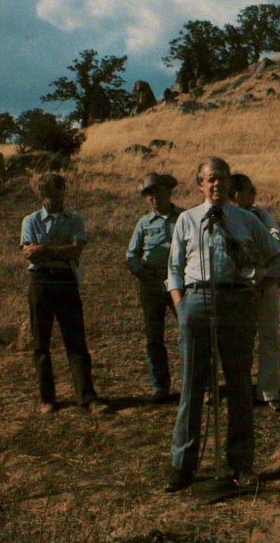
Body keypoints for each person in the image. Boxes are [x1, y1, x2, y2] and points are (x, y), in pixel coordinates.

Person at [164, 156, 280, 493]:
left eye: (222, 179)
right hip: (196, 302)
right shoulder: (187, 221)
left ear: (231, 183)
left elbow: (279, 259)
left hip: (237, 304)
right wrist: (182, 305)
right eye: (210, 179)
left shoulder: (246, 220)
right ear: (200, 184)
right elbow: (173, 270)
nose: (217, 184)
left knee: (238, 385)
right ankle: (183, 466)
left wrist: (259, 283)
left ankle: (241, 464)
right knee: (193, 385)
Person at [20, 173, 107, 415]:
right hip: (40, 281)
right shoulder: (30, 220)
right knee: (41, 342)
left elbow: (76, 251)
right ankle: (47, 399)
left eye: (59, 191)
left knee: (76, 340)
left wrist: (45, 249)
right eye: (49, 193)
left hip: (66, 281)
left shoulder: (75, 219)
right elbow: (29, 253)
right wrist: (60, 251)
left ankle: (87, 397)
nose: (55, 197)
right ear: (41, 195)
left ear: (64, 191)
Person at [229, 173, 280, 411]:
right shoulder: (227, 217)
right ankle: (239, 391)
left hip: (266, 278)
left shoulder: (260, 213)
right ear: (238, 194)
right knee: (238, 340)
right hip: (238, 284)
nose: (255, 194)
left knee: (269, 336)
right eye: (251, 190)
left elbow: (276, 236)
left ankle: (268, 391)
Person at [126, 172, 184, 402]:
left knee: (189, 332)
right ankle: (160, 386)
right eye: (149, 195)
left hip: (180, 282)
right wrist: (141, 272)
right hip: (152, 283)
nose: (154, 198)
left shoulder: (184, 217)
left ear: (169, 192)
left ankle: (197, 383)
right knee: (154, 336)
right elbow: (132, 254)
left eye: (158, 192)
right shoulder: (143, 223)